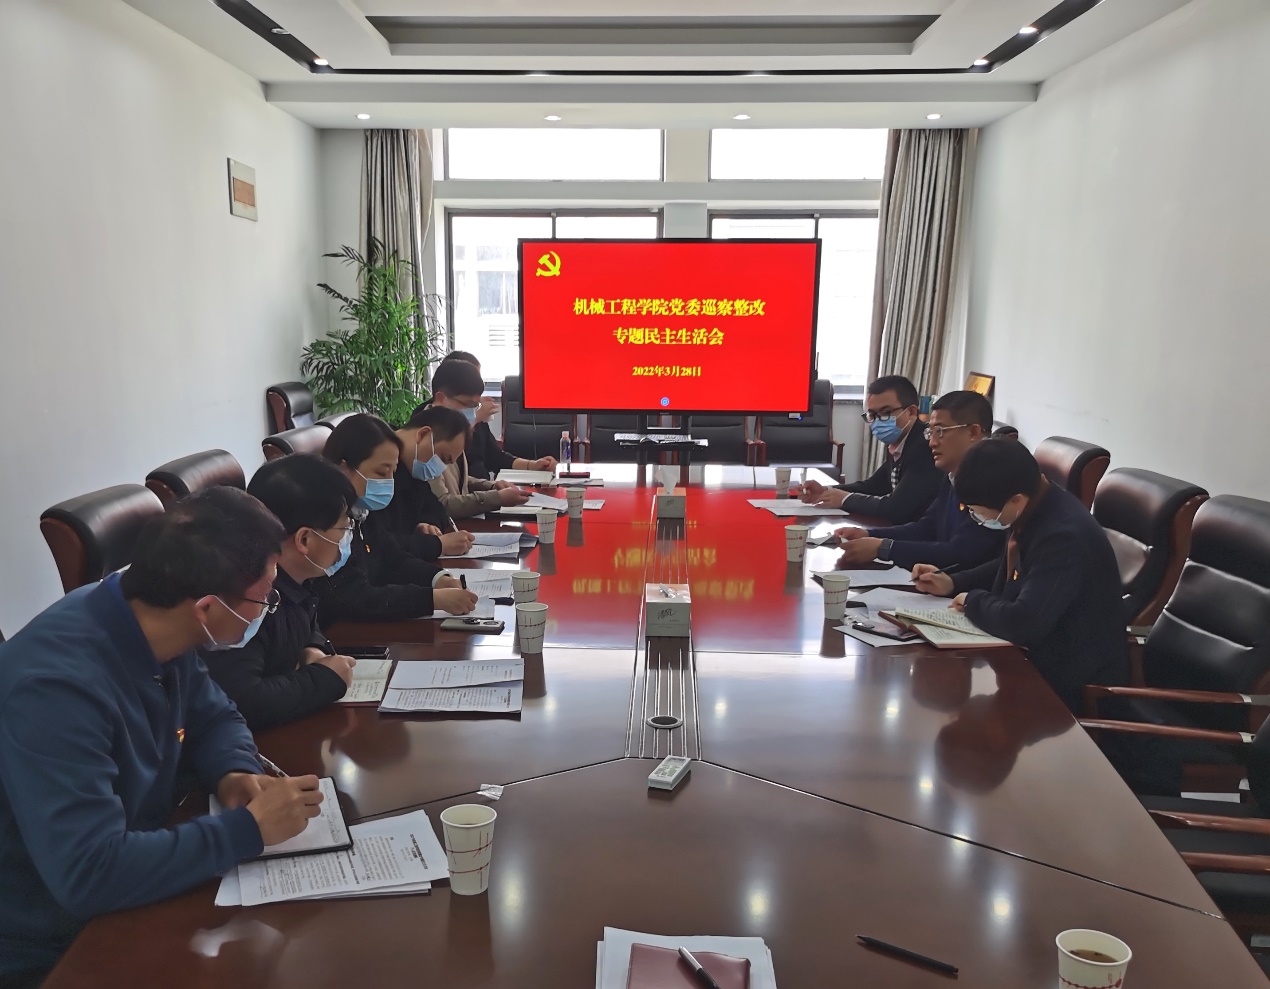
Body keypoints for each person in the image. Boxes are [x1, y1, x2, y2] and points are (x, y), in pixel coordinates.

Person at [0, 489, 324, 986]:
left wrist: (234, 771)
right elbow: (89, 874)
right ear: (208, 608)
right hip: (56, 943)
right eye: (265, 598)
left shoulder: (151, 614)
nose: (267, 609)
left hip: (144, 864)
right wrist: (247, 830)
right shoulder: (56, 689)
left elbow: (215, 716)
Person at [912, 439, 1129, 713]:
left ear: (1015, 500)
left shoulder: (1063, 536)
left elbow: (1023, 622)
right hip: (1034, 658)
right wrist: (953, 582)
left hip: (1069, 688)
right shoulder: (1038, 504)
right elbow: (1014, 566)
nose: (977, 518)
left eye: (978, 512)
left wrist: (972, 600)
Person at [202, 455, 362, 731]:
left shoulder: (299, 577)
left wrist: (313, 648)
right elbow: (244, 700)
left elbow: (308, 620)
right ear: (304, 539)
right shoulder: (250, 598)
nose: (348, 537)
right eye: (344, 527)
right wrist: (325, 679)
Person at [309, 417, 479, 629]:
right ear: (344, 469)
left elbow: (392, 557)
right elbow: (352, 597)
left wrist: (437, 578)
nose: (389, 481)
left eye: (393, 472)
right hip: (340, 633)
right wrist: (431, 600)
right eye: (382, 472)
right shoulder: (325, 524)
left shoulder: (361, 511)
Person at [831, 390, 1006, 570]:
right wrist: (869, 534)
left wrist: (885, 548)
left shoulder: (992, 482)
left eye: (940, 431)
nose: (932, 442)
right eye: (931, 432)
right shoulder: (953, 475)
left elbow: (960, 552)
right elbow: (927, 527)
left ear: (973, 432)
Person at [796, 374, 940, 523]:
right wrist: (826, 491)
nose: (877, 421)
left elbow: (896, 508)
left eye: (886, 413)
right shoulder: (900, 442)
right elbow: (873, 487)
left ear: (911, 412)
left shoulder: (926, 446)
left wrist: (845, 499)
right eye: (872, 415)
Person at [423, 358, 532, 518]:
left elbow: (460, 480)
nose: (472, 413)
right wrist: (496, 498)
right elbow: (443, 504)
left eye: (475, 406)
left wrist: (492, 486)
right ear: (440, 398)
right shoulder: (424, 438)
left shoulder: (451, 429)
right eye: (466, 404)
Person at [381, 405, 480, 559]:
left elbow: (436, 510)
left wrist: (426, 525)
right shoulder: (377, 466)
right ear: (423, 435)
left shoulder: (413, 469)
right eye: (443, 458)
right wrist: (437, 545)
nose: (439, 469)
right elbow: (378, 544)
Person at [441, 351, 557, 481]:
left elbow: (496, 457)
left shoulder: (474, 413)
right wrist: (476, 418)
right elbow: (451, 468)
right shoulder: (432, 421)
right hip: (467, 491)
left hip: (483, 488)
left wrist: (532, 465)